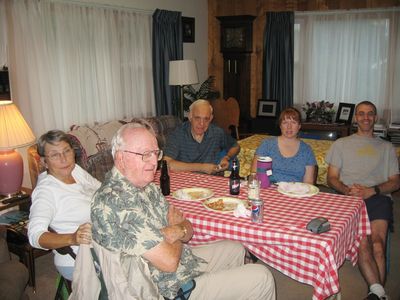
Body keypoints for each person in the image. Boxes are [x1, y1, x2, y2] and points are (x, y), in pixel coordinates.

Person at [91, 122, 276, 300]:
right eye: (145, 154)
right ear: (121, 158)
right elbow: (170, 262)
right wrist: (176, 228)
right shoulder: (115, 201)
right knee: (262, 277)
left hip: (182, 262)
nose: (154, 161)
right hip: (167, 288)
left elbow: (187, 230)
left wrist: (177, 230)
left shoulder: (147, 187)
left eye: (156, 153)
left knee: (235, 248)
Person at [325, 101, 400, 300]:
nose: (365, 117)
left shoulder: (387, 147)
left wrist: (372, 190)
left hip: (378, 198)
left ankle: (375, 293)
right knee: (362, 242)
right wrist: (347, 190)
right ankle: (379, 294)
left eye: (370, 114)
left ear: (375, 118)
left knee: (377, 243)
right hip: (349, 199)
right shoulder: (341, 144)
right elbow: (331, 178)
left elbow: (395, 182)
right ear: (355, 117)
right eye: (361, 114)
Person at [28, 130, 101, 281]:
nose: (64, 159)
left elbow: (102, 190)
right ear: (43, 161)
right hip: (80, 259)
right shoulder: (46, 191)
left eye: (66, 151)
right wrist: (72, 238)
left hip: (105, 243)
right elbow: (35, 236)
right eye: (55, 155)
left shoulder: (75, 170)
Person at [164, 99, 240, 174]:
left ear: (211, 118)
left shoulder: (217, 132)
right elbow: (167, 163)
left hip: (211, 181)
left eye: (206, 119)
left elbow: (235, 146)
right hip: (186, 180)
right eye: (197, 118)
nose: (202, 124)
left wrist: (226, 157)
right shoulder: (178, 134)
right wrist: (201, 167)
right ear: (190, 116)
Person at [251, 107, 316, 184]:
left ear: (299, 126)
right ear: (280, 126)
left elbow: (308, 182)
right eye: (285, 123)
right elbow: (254, 173)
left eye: (293, 122)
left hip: (295, 192)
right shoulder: (267, 144)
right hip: (269, 190)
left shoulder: (307, 150)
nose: (289, 127)